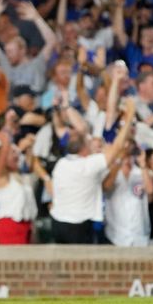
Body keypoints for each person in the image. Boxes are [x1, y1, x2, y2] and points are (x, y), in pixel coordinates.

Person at [50, 98, 136, 243]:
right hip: (77, 226)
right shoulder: (88, 165)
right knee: (82, 265)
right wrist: (130, 116)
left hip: (57, 223)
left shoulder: (61, 164)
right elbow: (117, 146)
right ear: (84, 150)